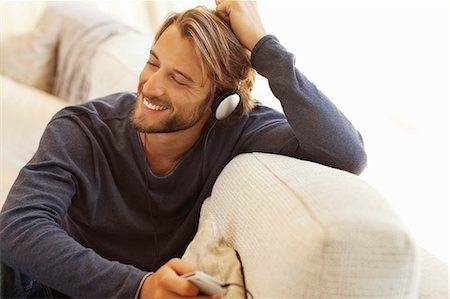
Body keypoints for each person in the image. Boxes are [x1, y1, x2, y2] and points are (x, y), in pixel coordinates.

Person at [0, 0, 367, 298]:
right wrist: (140, 287)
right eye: (153, 63)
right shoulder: (81, 128)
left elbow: (345, 154)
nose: (152, 86)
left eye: (179, 79)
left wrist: (264, 46)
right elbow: (17, 228)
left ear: (220, 101)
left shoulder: (237, 131)